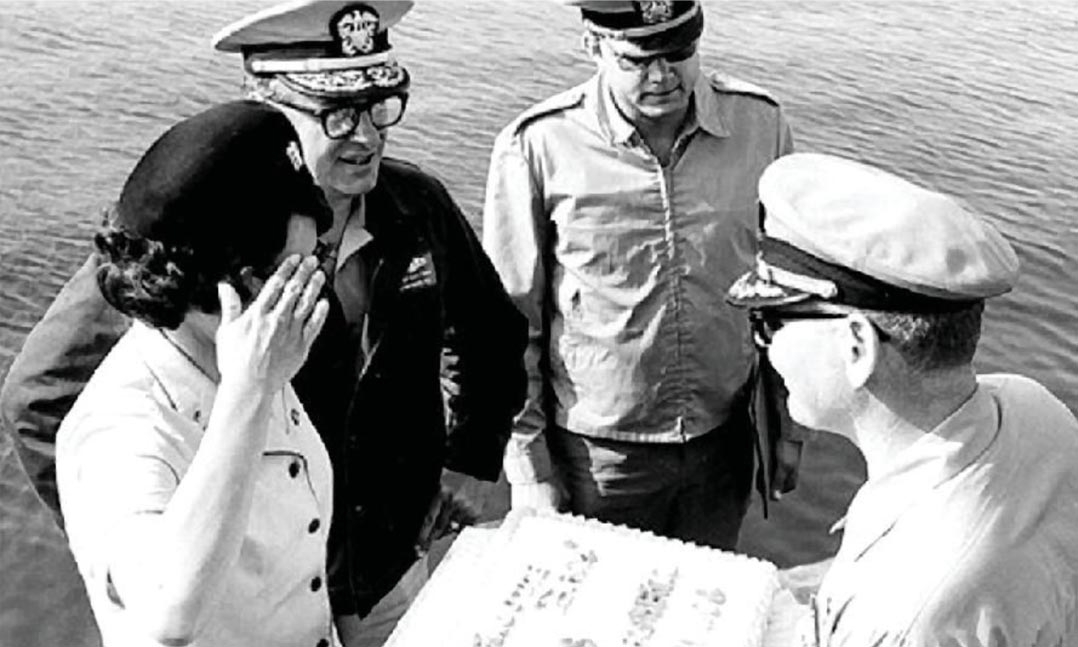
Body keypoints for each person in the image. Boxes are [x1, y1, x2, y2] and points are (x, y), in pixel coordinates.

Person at [2, 1, 527, 644]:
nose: (366, 136)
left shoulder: (416, 205)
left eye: (380, 106)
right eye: (337, 113)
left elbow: (488, 333)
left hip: (384, 559)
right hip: (247, 586)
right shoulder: (183, 235)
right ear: (269, 113)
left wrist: (470, 458)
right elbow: (40, 397)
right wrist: (137, 544)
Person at [482, 0, 802, 550]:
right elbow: (508, 326)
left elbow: (787, 291)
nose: (662, 76)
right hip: (597, 457)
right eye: (637, 60)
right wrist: (530, 470)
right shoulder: (537, 145)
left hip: (724, 443)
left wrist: (787, 429)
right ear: (593, 45)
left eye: (679, 53)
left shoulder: (761, 125)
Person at [726, 152, 1078, 646]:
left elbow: (913, 601)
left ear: (857, 347)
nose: (765, 346)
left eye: (769, 321)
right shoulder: (1032, 408)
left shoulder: (899, 621)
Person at [58, 100, 336, 646]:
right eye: (283, 279)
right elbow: (165, 614)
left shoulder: (246, 350)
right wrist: (248, 392)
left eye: (314, 264)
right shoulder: (122, 427)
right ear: (211, 285)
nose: (306, 294)